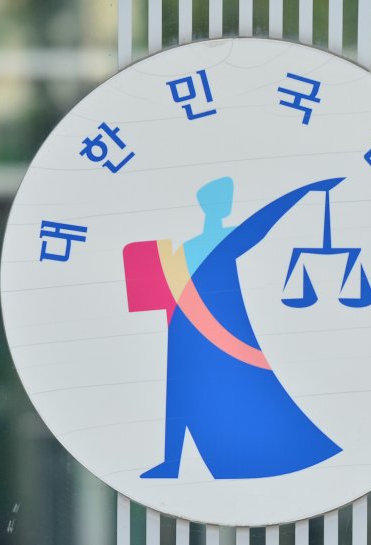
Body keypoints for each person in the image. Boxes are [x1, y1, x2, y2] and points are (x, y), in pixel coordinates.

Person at [123, 176, 343, 479]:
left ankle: (179, 462)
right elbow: (259, 226)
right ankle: (172, 463)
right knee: (180, 396)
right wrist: (301, 194)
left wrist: (300, 195)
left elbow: (261, 224)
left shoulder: (211, 241)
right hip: (195, 330)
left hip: (209, 330)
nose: (224, 205)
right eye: (221, 200)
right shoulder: (199, 245)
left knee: (195, 394)